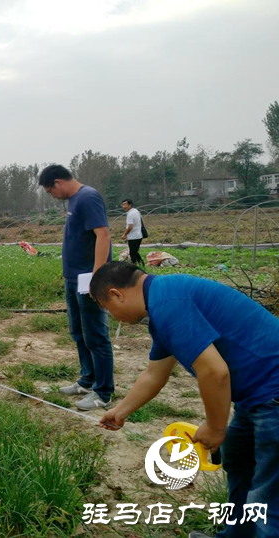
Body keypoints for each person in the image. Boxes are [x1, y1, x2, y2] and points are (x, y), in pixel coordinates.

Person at [90, 261, 279, 538]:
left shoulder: (169, 303)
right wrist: (120, 411)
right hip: (255, 397)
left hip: (272, 395)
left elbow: (215, 372)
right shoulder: (162, 302)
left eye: (108, 308)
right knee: (239, 464)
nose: (114, 316)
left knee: (268, 494)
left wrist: (215, 428)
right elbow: (155, 374)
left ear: (117, 294)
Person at [38, 164, 114, 410]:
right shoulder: (73, 201)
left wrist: (97, 277)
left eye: (50, 191)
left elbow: (103, 235)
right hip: (73, 279)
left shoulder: (88, 197)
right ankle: (86, 380)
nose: (52, 196)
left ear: (58, 182)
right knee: (79, 332)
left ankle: (103, 393)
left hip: (87, 281)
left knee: (96, 335)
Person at [120, 199, 144, 265]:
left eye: (125, 204)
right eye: (122, 205)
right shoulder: (136, 211)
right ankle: (141, 263)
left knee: (132, 253)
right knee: (135, 251)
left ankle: (134, 265)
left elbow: (130, 226)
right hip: (139, 235)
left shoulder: (130, 214)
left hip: (133, 236)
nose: (123, 206)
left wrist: (124, 234)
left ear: (130, 205)